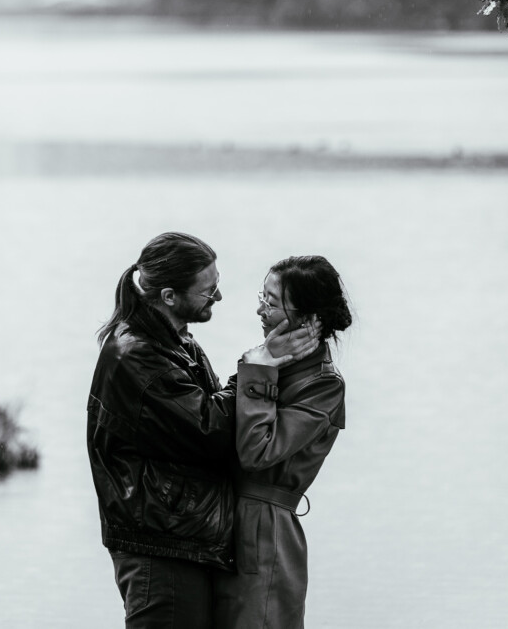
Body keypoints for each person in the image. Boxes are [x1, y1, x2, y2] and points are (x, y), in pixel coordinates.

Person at [88, 232, 320, 629]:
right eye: (208, 291)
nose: (219, 298)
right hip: (158, 548)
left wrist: (260, 366)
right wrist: (258, 364)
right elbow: (211, 431)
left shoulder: (175, 343)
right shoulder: (137, 357)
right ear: (169, 296)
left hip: (180, 539)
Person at [213, 255, 352, 629]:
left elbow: (258, 451)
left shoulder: (322, 385)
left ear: (308, 318)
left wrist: (258, 369)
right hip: (226, 520)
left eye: (272, 303)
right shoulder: (270, 361)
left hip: (265, 531)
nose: (260, 309)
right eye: (263, 296)